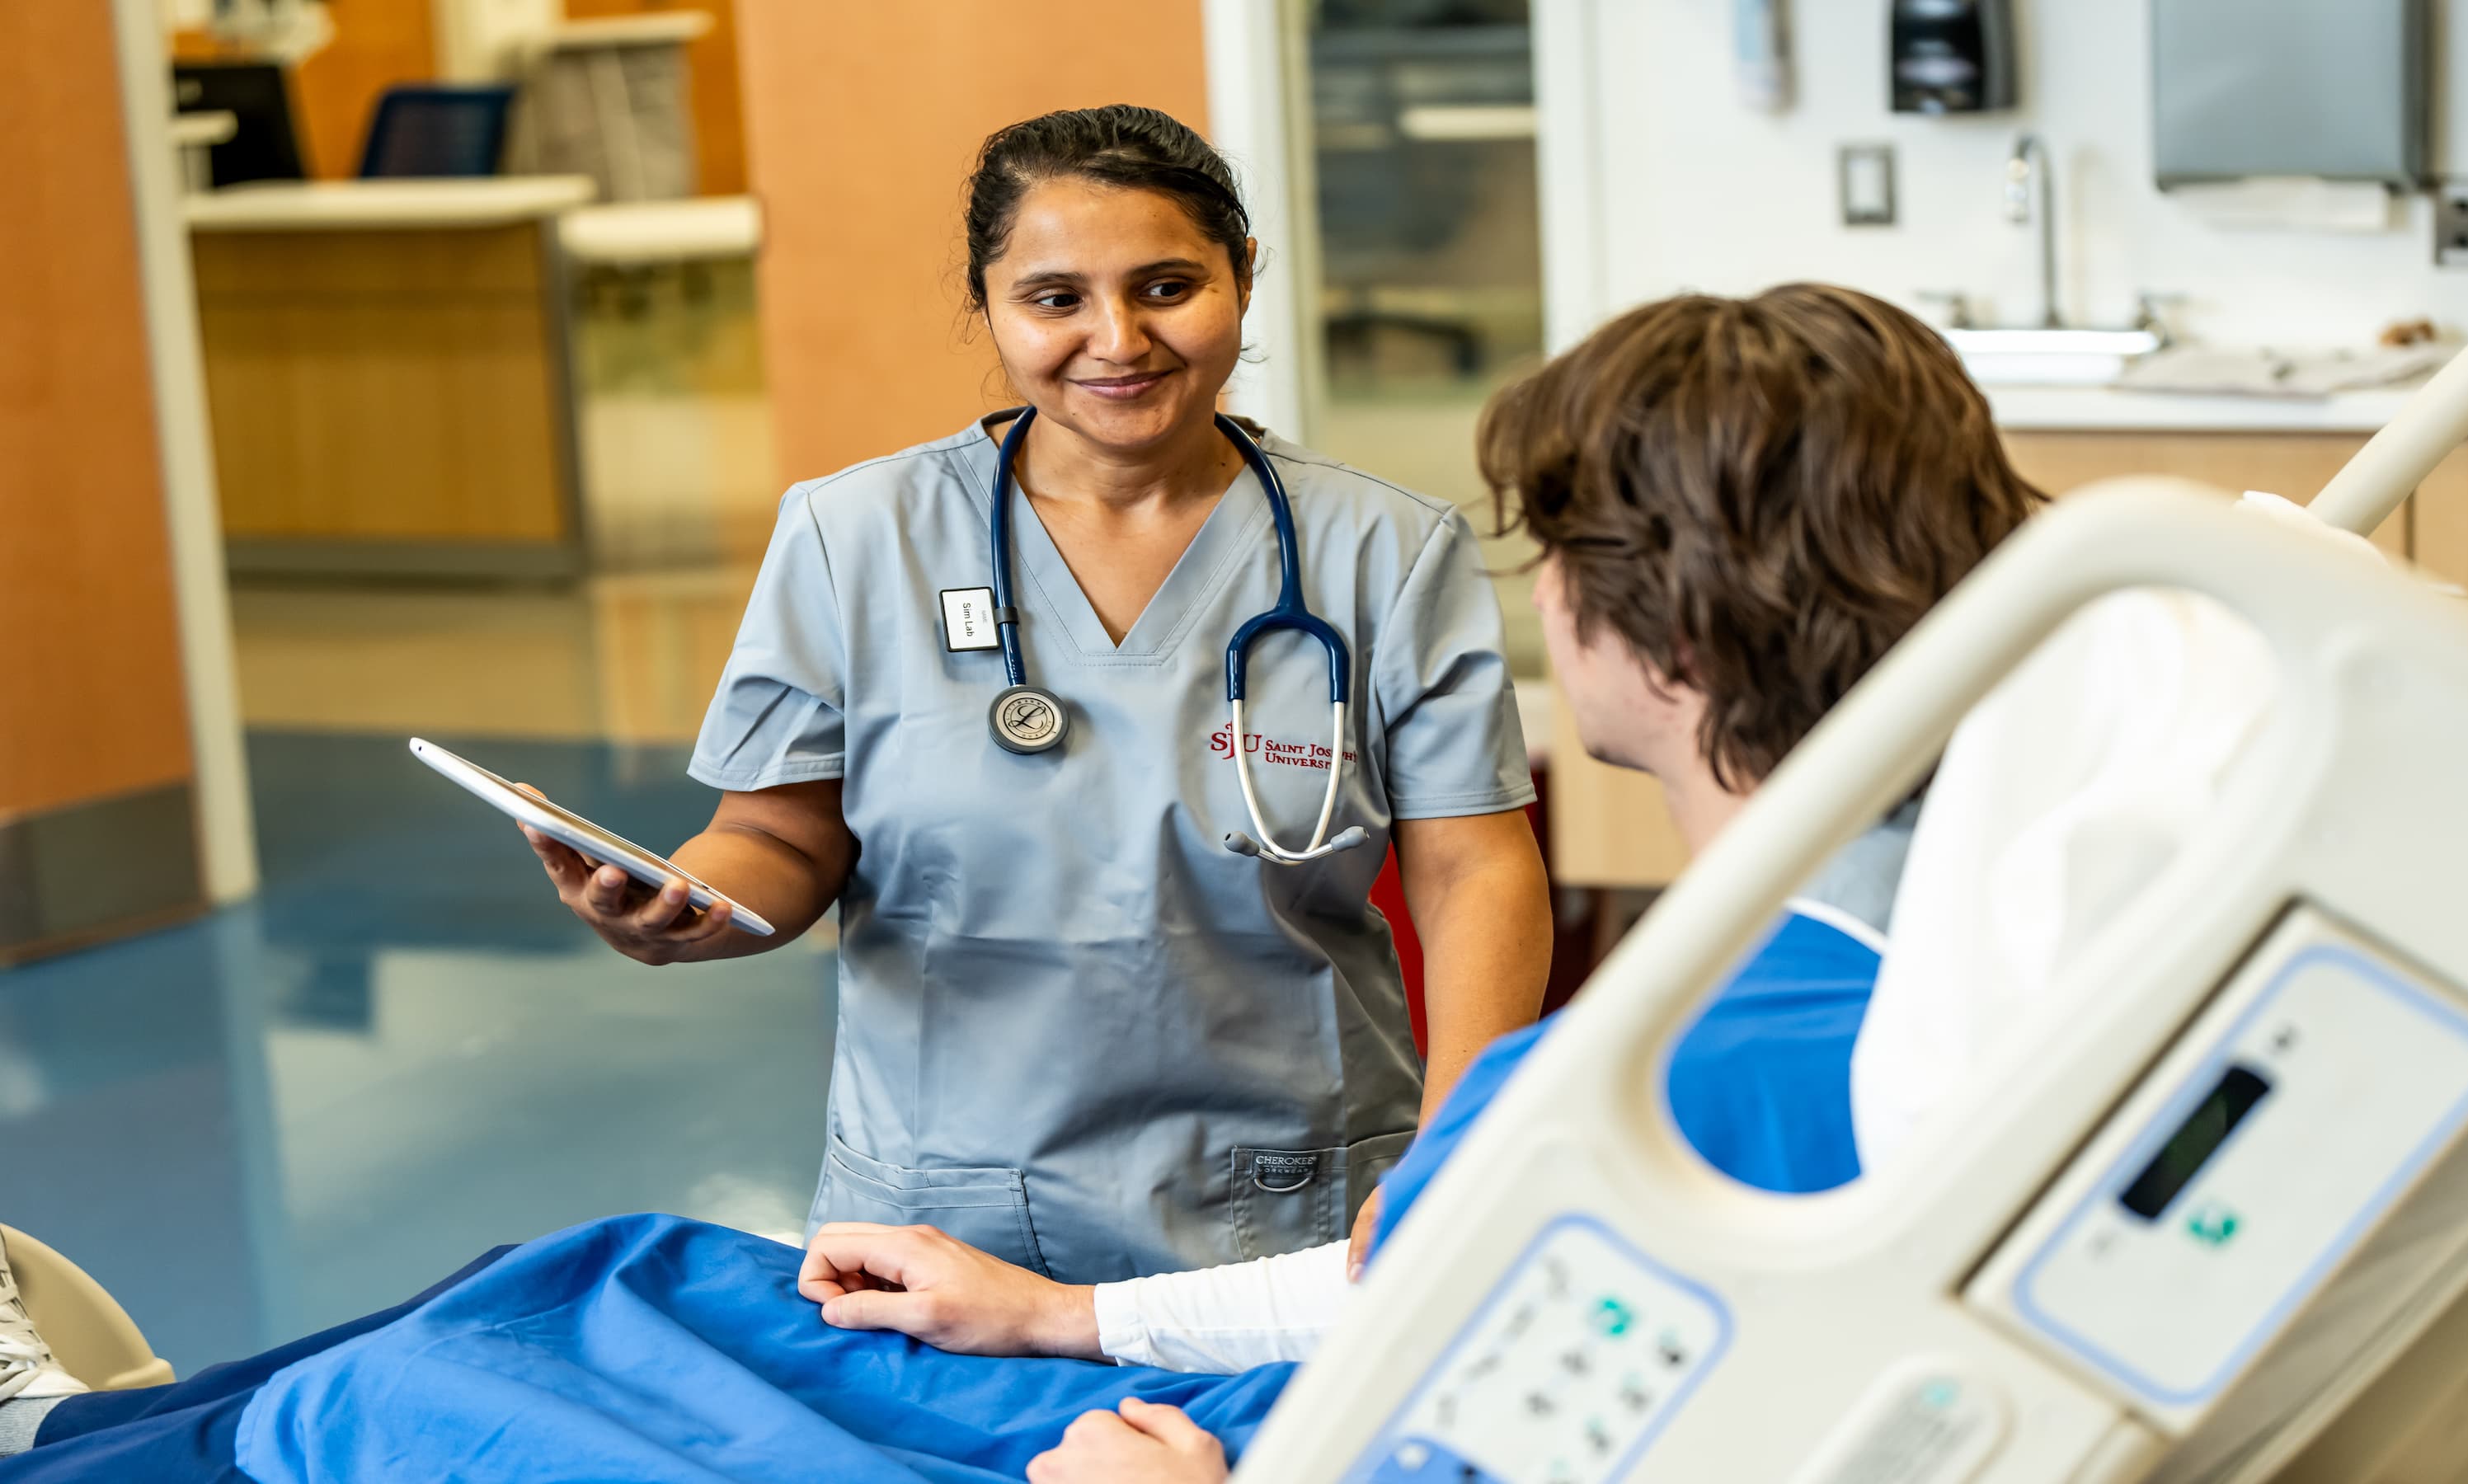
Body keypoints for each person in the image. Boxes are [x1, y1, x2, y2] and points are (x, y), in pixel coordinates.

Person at [0, 285, 2044, 1483]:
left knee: (434, 1397)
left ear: (1653, 631)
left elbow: (1479, 1367)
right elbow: (1438, 1288)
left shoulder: (1679, 1080)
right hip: (1191, 1346)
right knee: (618, 1275)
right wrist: (1071, 1314)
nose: (1112, 339)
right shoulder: (1954, 937)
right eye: (1050, 293)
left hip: (1219, 1447)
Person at [515, 106, 1553, 1282]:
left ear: (1245, 275)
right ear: (990, 303)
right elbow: (775, 835)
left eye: (1167, 286)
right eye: (1055, 299)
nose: (1118, 340)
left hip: (1290, 1193)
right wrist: (691, 910)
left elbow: (1477, 866)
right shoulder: (858, 537)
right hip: (944, 1201)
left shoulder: (1383, 549)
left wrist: (1460, 1151)